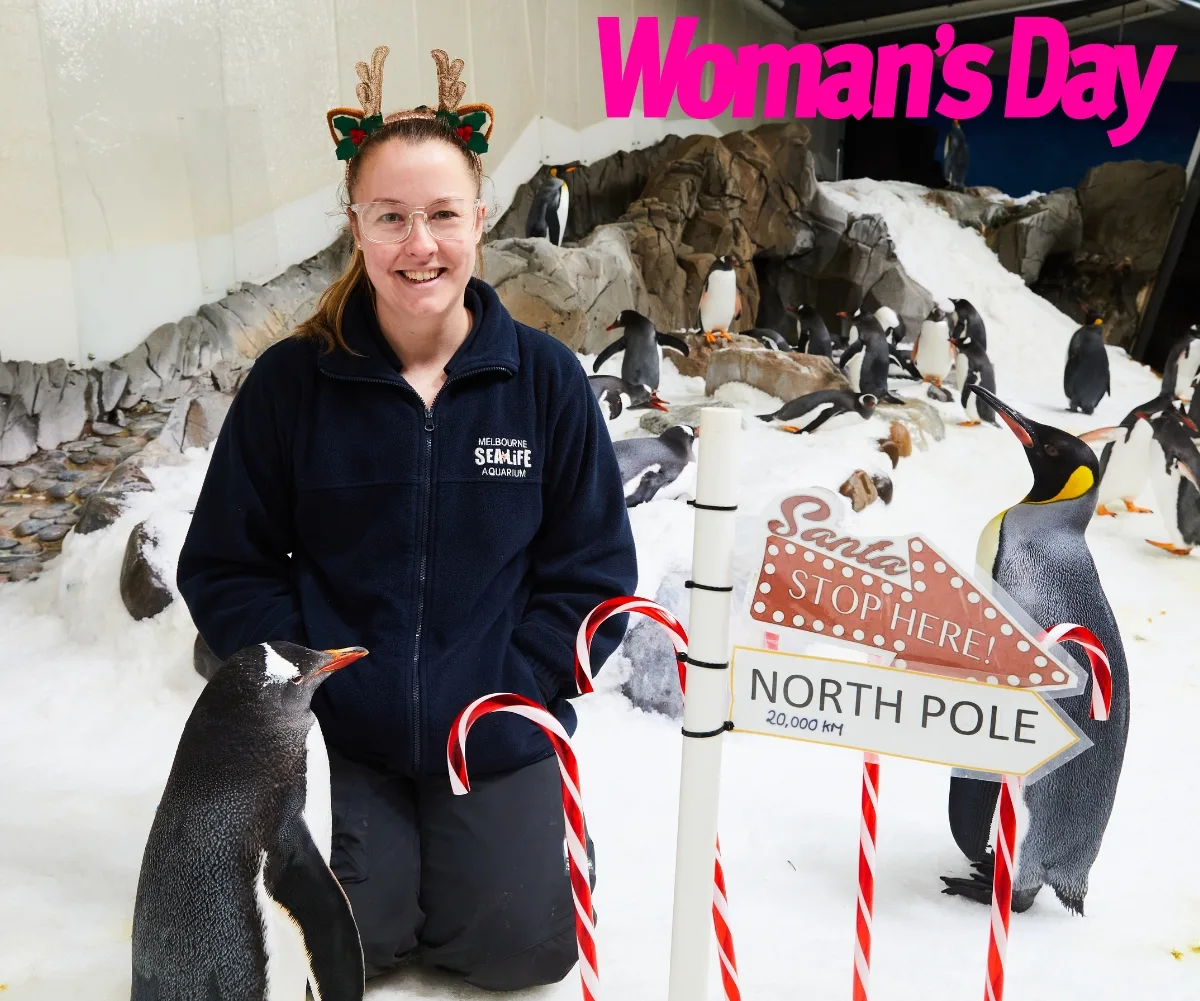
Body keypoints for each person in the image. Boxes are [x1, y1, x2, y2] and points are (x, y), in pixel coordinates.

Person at [176, 45, 637, 991]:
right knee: (350, 944)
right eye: (390, 217)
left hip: (492, 729)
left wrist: (520, 689)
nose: (417, 244)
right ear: (356, 224)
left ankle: (518, 839)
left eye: (440, 215)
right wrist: (312, 686)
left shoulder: (544, 381)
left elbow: (594, 575)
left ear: (480, 218)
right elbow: (224, 566)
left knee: (515, 953)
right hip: (348, 735)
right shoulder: (291, 385)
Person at [943, 118, 969, 192]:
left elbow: (951, 154)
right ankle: (955, 183)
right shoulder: (957, 135)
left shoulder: (954, 135)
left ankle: (955, 184)